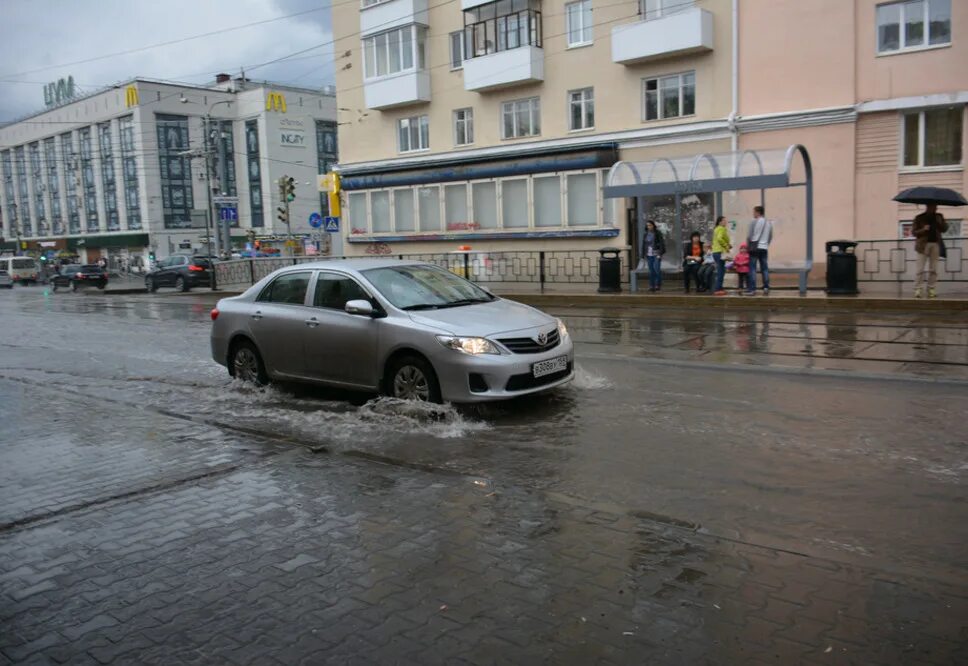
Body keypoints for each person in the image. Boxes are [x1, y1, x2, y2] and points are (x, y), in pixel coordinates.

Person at [912, 203, 948, 299]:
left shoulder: (939, 216)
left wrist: (940, 222)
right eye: (933, 206)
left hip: (935, 244)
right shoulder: (919, 218)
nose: (935, 208)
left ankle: (931, 289)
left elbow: (945, 229)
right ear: (928, 207)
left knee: (934, 269)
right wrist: (923, 229)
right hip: (922, 245)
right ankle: (918, 289)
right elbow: (914, 232)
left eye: (936, 207)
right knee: (920, 269)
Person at [745, 205, 773, 295]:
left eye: (754, 212)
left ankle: (752, 289)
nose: (753, 213)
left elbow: (749, 236)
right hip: (764, 248)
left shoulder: (754, 221)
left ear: (758, 212)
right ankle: (766, 287)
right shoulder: (768, 223)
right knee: (764, 268)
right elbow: (770, 236)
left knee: (752, 268)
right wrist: (765, 244)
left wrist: (748, 246)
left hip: (754, 247)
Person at [642, 220, 666, 292]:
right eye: (647, 225)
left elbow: (662, 244)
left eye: (650, 225)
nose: (649, 227)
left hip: (656, 253)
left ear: (653, 225)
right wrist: (643, 255)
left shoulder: (658, 233)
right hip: (649, 254)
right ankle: (651, 286)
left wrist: (660, 254)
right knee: (651, 271)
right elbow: (644, 245)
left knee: (656, 269)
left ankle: (657, 285)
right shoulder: (646, 234)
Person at [711, 216, 731, 296]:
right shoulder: (721, 229)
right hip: (719, 252)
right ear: (719, 222)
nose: (725, 222)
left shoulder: (716, 229)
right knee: (721, 271)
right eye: (724, 221)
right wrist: (726, 246)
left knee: (721, 270)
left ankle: (720, 287)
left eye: (725, 221)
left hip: (715, 252)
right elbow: (719, 239)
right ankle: (718, 289)